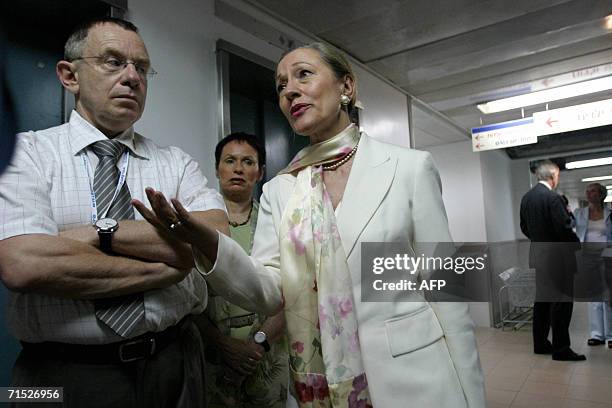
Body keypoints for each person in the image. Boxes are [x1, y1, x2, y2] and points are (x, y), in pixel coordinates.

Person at [134, 42, 485, 407]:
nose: (289, 90)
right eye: (281, 85)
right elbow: (270, 291)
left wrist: (474, 397)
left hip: (414, 376)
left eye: (303, 74)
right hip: (320, 386)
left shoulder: (409, 168)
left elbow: (448, 292)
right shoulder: (280, 190)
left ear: (346, 87)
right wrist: (208, 243)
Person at [0, 17, 228, 407]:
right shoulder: (26, 154)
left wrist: (97, 233)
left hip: (175, 362)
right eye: (112, 61)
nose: (132, 77)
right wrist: (171, 263)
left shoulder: (175, 163)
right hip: (53, 375)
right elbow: (24, 264)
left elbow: (215, 238)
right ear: (69, 75)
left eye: (141, 67)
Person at [195, 132, 289, 407]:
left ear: (260, 172)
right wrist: (222, 345)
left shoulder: (278, 225)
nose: (238, 169)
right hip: (213, 358)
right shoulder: (198, 227)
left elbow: (292, 291)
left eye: (248, 162)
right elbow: (185, 294)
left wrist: (259, 343)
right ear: (216, 168)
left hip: (267, 356)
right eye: (230, 161)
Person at [520, 160, 584, 361]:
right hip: (559, 259)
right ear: (553, 176)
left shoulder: (527, 198)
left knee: (542, 302)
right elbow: (564, 228)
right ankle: (561, 349)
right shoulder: (552, 198)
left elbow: (524, 227)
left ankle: (540, 344)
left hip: (539, 257)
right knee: (562, 303)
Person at [574, 183, 612, 348]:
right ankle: (597, 335)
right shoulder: (579, 213)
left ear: (602, 194)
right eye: (587, 192)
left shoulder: (610, 214)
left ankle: (611, 335)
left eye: (593, 191)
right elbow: (569, 228)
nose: (590, 194)